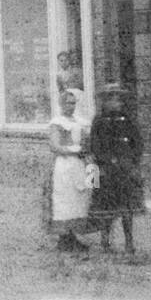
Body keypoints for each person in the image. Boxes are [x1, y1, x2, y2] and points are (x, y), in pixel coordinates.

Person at [88, 83, 144, 257]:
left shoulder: (127, 119)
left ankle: (129, 242)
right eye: (111, 99)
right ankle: (105, 240)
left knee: (127, 208)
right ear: (105, 102)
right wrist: (105, 161)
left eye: (118, 99)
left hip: (125, 169)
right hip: (105, 169)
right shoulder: (98, 121)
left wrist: (132, 160)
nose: (116, 102)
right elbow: (94, 145)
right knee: (105, 208)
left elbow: (138, 143)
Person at [49, 89, 91, 256]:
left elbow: (88, 142)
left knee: (80, 198)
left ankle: (74, 235)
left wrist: (85, 151)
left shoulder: (81, 122)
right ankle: (64, 238)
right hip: (65, 164)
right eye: (68, 103)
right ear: (61, 104)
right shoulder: (57, 122)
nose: (71, 106)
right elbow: (54, 146)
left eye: (73, 103)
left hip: (81, 165)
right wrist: (73, 151)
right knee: (65, 199)